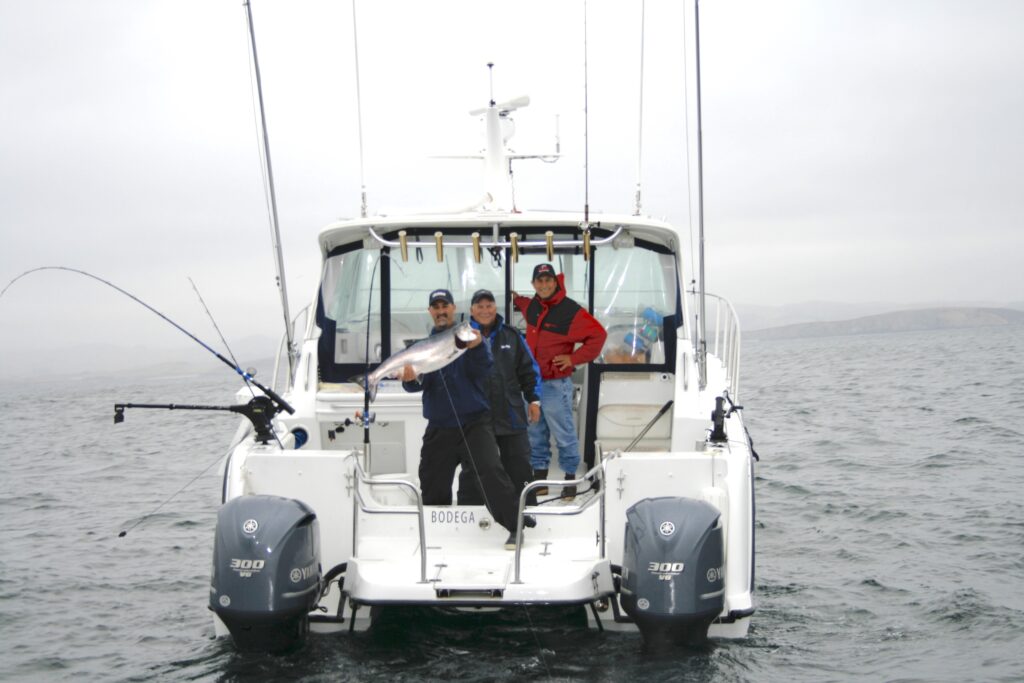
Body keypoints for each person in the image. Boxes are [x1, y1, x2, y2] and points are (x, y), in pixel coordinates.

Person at [400, 288, 534, 549]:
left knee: (492, 474)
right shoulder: (421, 347)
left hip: (474, 423)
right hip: (439, 426)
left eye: (445, 306)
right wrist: (409, 379)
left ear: (454, 309)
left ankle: (515, 527)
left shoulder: (472, 339)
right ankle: (435, 532)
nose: (441, 311)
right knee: (431, 479)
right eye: (436, 307)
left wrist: (475, 347)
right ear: (430, 311)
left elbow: (484, 366)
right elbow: (416, 386)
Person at [512, 263, 607, 499]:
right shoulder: (532, 305)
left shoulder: (570, 311)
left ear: (555, 282)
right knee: (535, 432)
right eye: (539, 281)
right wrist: (514, 298)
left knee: (564, 434)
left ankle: (570, 480)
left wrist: (573, 358)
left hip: (555, 384)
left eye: (548, 280)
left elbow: (598, 335)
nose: (543, 285)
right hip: (532, 384)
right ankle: (540, 481)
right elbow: (523, 303)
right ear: (534, 284)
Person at [457, 289, 542, 509]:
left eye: (489, 305)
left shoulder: (512, 336)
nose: (485, 310)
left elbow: (528, 369)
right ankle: (470, 511)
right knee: (473, 465)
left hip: (510, 413)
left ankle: (528, 509)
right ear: (471, 311)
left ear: (496, 308)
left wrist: (534, 400)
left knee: (520, 464)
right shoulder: (460, 337)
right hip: (475, 415)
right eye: (480, 306)